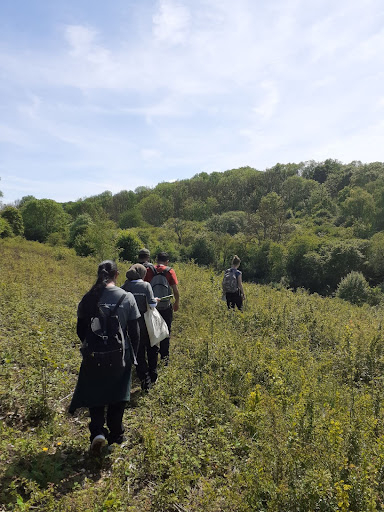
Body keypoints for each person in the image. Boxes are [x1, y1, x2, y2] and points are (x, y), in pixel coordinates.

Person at [69, 260, 140, 453]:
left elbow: (80, 330)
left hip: (94, 354)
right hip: (120, 355)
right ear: (117, 275)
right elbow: (134, 332)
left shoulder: (88, 298)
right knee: (118, 396)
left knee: (96, 392)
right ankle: (116, 435)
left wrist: (94, 345)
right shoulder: (127, 298)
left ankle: (98, 432)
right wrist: (133, 355)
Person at [121, 263, 159, 391]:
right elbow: (152, 304)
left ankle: (144, 378)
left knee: (138, 351)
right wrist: (156, 300)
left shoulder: (124, 286)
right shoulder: (145, 285)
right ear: (142, 274)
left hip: (130, 323)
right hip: (145, 322)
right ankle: (152, 374)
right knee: (152, 346)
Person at [144, 252, 179, 364]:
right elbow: (175, 290)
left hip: (152, 307)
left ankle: (152, 360)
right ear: (167, 261)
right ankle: (165, 360)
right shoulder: (169, 271)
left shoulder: (149, 270)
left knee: (151, 331)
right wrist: (176, 302)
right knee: (166, 331)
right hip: (165, 307)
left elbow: (144, 288)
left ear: (156, 260)